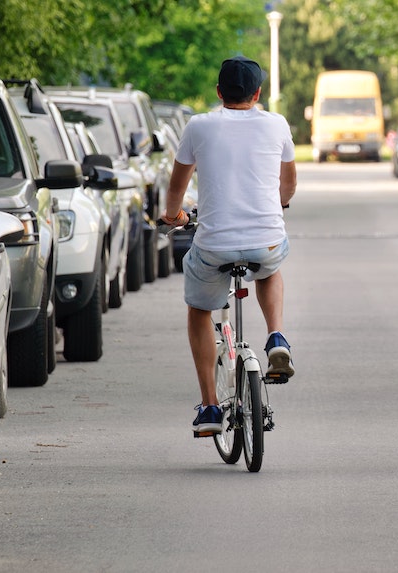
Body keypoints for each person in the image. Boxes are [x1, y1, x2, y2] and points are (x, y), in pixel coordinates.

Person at [160, 56, 297, 435]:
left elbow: (176, 187)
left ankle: (208, 408)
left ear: (219, 93)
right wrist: (279, 204)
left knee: (199, 309)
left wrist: (174, 215)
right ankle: (276, 336)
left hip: (214, 245)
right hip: (265, 239)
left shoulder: (199, 125)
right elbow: (288, 184)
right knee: (269, 266)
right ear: (258, 93)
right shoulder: (277, 124)